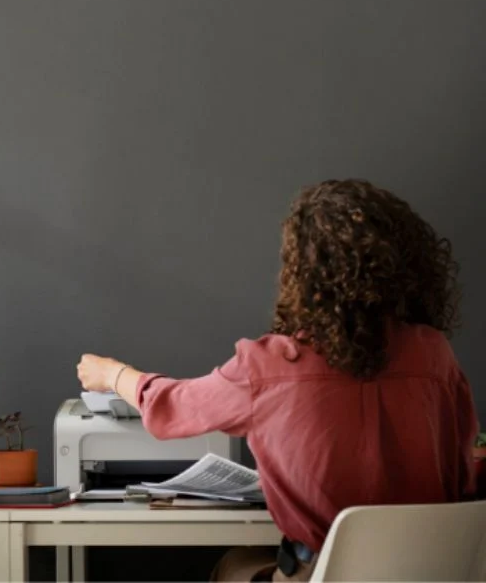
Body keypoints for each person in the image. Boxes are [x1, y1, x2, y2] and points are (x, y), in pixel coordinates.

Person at [75, 179, 478, 581]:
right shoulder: (434, 354)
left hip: (320, 572)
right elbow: (460, 473)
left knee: (234, 566)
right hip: (431, 571)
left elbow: (171, 405)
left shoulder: (269, 365)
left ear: (303, 274)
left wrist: (113, 374)